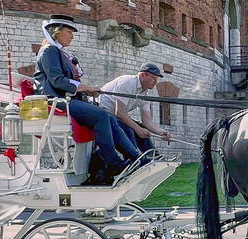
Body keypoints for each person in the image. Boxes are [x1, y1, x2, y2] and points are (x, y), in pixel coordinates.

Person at [33, 14, 142, 181]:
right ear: (57, 31)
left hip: (67, 100)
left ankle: (135, 157)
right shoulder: (49, 50)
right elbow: (58, 81)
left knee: (110, 118)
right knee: (101, 115)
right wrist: (87, 88)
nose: (72, 36)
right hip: (55, 101)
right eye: (69, 32)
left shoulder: (57, 52)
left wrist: (86, 90)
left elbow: (65, 82)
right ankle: (112, 161)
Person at [99, 63, 173, 157]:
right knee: (130, 129)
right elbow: (120, 112)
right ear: (142, 75)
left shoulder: (145, 94)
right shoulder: (127, 82)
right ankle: (135, 158)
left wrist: (161, 132)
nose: (155, 82)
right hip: (102, 111)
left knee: (140, 127)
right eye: (153, 78)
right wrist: (138, 129)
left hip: (115, 115)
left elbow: (147, 122)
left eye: (156, 79)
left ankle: (153, 157)